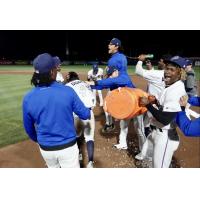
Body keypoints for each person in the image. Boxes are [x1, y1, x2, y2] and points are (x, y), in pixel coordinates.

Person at [22, 53, 91, 168]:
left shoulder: (28, 98)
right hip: (67, 147)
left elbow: (29, 129)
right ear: (51, 72)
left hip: (45, 148)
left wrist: (40, 140)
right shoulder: (67, 91)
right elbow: (85, 114)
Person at [139, 56, 187, 168]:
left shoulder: (177, 90)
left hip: (165, 136)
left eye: (172, 70)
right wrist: (155, 101)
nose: (167, 72)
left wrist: (148, 105)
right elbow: (164, 106)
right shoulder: (171, 86)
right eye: (167, 68)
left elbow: (165, 119)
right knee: (148, 159)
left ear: (180, 73)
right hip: (157, 132)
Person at [87, 65, 146, 150]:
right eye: (109, 76)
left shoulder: (123, 77)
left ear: (115, 72)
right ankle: (123, 144)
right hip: (128, 106)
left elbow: (111, 81)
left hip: (138, 105)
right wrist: (88, 85)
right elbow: (102, 86)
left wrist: (96, 82)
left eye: (110, 75)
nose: (109, 77)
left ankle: (143, 150)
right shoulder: (113, 81)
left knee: (139, 129)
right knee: (123, 125)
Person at [65, 71, 96, 168]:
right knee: (89, 137)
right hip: (89, 112)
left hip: (76, 114)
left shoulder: (67, 86)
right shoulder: (85, 83)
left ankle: (79, 157)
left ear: (69, 78)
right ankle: (90, 162)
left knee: (76, 137)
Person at [102, 38, 129, 133]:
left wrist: (104, 78)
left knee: (106, 106)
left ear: (116, 46)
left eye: (111, 44)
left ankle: (110, 124)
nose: (108, 46)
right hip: (124, 87)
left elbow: (111, 77)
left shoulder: (113, 60)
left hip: (116, 88)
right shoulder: (122, 57)